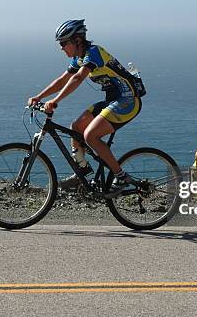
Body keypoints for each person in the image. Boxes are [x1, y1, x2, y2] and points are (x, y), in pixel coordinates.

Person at [27, 19, 142, 197]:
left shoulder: (94, 53)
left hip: (127, 101)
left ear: (77, 40)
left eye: (64, 43)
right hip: (112, 100)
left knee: (90, 135)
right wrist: (40, 97)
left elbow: (77, 79)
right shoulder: (79, 58)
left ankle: (120, 177)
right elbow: (62, 80)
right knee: (77, 126)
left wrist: (55, 101)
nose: (61, 47)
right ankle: (82, 171)